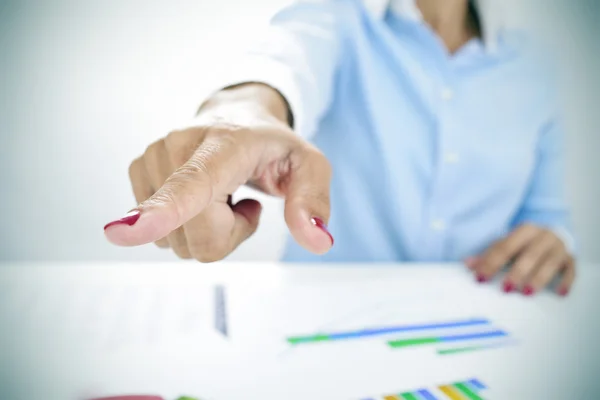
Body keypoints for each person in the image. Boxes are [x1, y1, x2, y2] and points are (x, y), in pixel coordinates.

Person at [103, 0, 576, 296]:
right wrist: (235, 120)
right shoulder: (335, 18)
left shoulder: (542, 61)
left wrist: (553, 240)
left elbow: (547, 213)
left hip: (487, 328)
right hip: (324, 325)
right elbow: (280, 66)